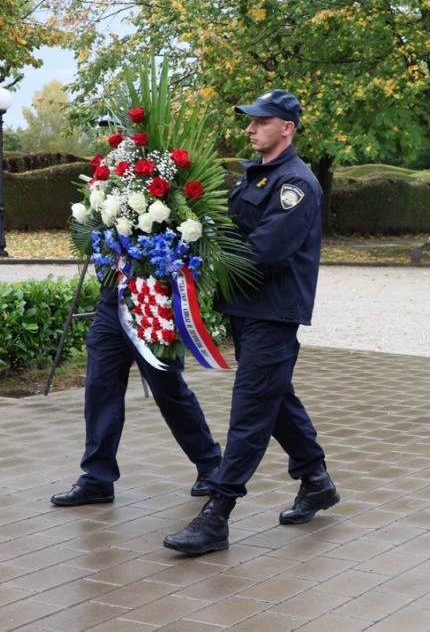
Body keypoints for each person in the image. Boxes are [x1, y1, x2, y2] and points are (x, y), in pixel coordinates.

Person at [164, 89, 338, 555]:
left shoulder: (295, 185)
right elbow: (229, 230)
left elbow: (266, 252)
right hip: (245, 308)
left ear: (287, 128)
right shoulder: (253, 178)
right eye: (250, 120)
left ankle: (217, 514)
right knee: (273, 397)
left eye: (261, 121)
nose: (250, 128)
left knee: (249, 411)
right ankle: (316, 479)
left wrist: (209, 255)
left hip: (273, 312)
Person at [50, 289, 223, 507]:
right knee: (100, 388)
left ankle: (209, 462)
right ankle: (98, 477)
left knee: (167, 389)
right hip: (112, 304)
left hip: (152, 298)